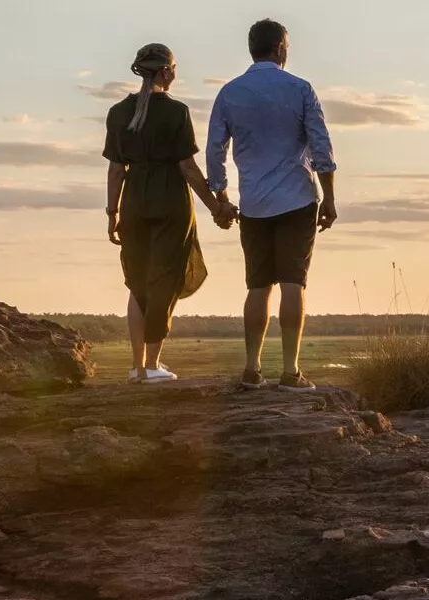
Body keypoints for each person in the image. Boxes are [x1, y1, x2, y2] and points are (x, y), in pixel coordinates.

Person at [207, 19, 339, 392]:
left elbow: (216, 148)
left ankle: (251, 369)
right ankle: (291, 371)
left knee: (257, 286)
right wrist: (329, 196)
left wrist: (221, 194)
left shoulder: (230, 93)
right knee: (293, 284)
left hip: (253, 203)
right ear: (281, 48)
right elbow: (320, 145)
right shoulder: (300, 89)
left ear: (252, 48)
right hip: (297, 198)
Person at [104, 43, 239, 384]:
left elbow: (116, 171)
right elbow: (188, 168)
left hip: (134, 200)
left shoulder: (118, 112)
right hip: (170, 202)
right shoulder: (176, 112)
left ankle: (137, 368)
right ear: (166, 71)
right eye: (174, 67)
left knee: (137, 283)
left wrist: (112, 213)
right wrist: (215, 208)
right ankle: (152, 365)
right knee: (164, 280)